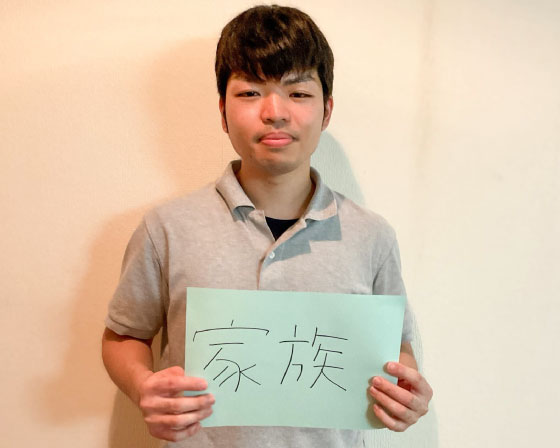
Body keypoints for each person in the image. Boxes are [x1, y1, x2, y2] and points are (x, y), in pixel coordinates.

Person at [102, 4, 433, 447]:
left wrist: (405, 390)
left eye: (298, 93)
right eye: (250, 92)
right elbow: (123, 334)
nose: (275, 112)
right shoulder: (167, 228)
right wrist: (144, 386)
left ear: (326, 110)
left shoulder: (372, 237)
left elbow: (396, 349)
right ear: (222, 112)